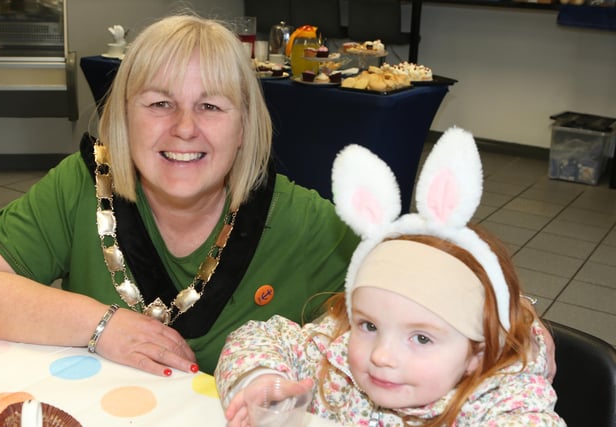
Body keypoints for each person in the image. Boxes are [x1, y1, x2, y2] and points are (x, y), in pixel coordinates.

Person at [0, 15, 359, 376]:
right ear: (124, 118)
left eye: (210, 106)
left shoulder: (306, 223)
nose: (185, 128)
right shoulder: (80, 186)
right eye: (160, 103)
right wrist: (99, 324)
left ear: (244, 127)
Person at [215, 127, 565, 426]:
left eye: (422, 339)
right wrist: (262, 381)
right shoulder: (336, 354)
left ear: (478, 351)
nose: (382, 355)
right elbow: (258, 337)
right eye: (368, 325)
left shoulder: (503, 400)